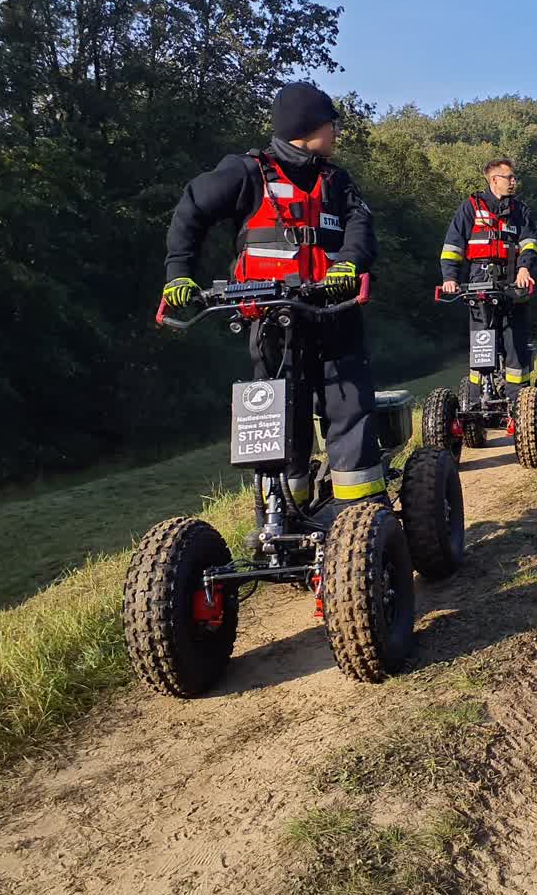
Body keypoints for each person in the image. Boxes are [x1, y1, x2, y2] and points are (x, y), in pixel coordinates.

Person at [162, 81, 389, 547]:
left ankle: (361, 523)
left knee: (349, 410)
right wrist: (178, 274)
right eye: (332, 124)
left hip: (334, 311)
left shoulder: (337, 181)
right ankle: (282, 517)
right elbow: (190, 211)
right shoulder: (245, 172)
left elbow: (361, 229)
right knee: (278, 419)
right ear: (310, 127)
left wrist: (349, 264)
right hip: (270, 321)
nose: (337, 133)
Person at [439, 158, 537, 408]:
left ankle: (520, 403)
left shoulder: (520, 210)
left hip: (512, 279)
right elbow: (453, 246)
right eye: (509, 178)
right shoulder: (470, 207)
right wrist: (450, 278)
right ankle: (475, 403)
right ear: (494, 180)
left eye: (514, 178)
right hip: (478, 280)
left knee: (515, 341)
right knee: (481, 342)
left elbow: (530, 243)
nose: (514, 182)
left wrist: (524, 268)